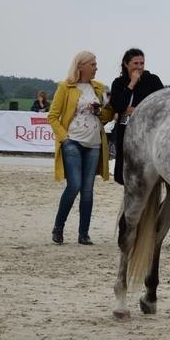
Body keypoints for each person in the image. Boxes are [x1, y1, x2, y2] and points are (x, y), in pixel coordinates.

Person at [47, 51, 114, 245]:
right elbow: (52, 116)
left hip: (94, 144)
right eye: (92, 64)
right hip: (73, 142)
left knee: (88, 190)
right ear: (81, 66)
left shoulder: (100, 88)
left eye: (95, 64)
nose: (96, 67)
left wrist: (102, 111)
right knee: (74, 185)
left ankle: (83, 234)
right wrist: (64, 138)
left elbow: (107, 116)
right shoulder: (66, 87)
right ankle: (58, 227)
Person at [109, 48, 165, 185]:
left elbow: (162, 104)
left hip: (146, 130)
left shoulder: (152, 80)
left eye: (142, 63)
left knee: (144, 170)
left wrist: (137, 109)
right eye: (135, 63)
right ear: (126, 64)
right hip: (124, 129)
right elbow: (118, 106)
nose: (139, 67)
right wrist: (131, 84)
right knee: (125, 171)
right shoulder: (118, 83)